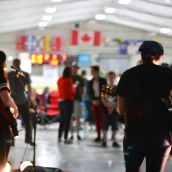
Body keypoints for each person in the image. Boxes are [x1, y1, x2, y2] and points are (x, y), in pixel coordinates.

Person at [116, 40, 172, 172]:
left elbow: (121, 110)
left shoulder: (128, 75)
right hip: (160, 136)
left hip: (133, 136)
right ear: (160, 56)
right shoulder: (168, 74)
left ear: (141, 56)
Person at [8, 58, 36, 146]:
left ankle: (12, 141)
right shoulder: (25, 74)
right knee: (27, 120)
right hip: (22, 100)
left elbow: (6, 86)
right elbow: (29, 87)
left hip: (14, 101)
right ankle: (28, 140)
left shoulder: (8, 74)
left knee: (12, 121)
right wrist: (31, 99)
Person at [0, 50, 18, 171]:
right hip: (1, 120)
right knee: (1, 153)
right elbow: (5, 99)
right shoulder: (0, 78)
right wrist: (15, 108)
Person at [101, 71, 120, 148]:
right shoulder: (105, 87)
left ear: (115, 78)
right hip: (106, 109)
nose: (111, 79)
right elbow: (103, 99)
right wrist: (108, 107)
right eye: (110, 77)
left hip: (114, 109)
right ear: (107, 78)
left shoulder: (117, 88)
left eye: (112, 77)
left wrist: (113, 107)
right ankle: (104, 139)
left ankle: (114, 140)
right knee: (105, 125)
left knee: (114, 125)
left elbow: (119, 99)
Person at [88, 65, 107, 142]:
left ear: (97, 71)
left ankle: (104, 135)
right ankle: (98, 135)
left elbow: (106, 92)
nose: (92, 72)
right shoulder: (90, 82)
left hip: (102, 101)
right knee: (96, 119)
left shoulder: (103, 80)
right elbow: (89, 93)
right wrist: (92, 100)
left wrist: (102, 100)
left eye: (92, 70)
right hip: (94, 101)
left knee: (103, 119)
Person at [57, 66, 75, 144]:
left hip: (61, 101)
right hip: (68, 101)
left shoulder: (59, 80)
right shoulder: (69, 80)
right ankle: (65, 138)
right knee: (67, 120)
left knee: (62, 120)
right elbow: (71, 92)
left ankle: (59, 137)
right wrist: (75, 88)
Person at [70, 63, 84, 140]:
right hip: (70, 99)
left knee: (78, 117)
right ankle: (71, 133)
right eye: (74, 68)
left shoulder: (80, 78)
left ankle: (78, 133)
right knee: (71, 118)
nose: (75, 69)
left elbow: (82, 88)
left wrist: (81, 95)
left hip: (77, 99)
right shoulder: (68, 77)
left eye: (76, 68)